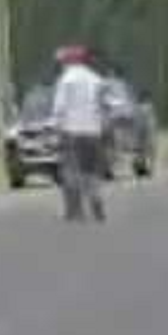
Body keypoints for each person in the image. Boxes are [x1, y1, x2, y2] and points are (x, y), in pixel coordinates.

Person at [52, 44, 110, 223]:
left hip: (72, 131)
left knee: (71, 171)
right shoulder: (97, 80)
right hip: (94, 132)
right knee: (92, 171)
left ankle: (75, 210)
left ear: (69, 61)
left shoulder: (66, 80)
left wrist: (57, 129)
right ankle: (97, 205)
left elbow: (60, 107)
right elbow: (104, 106)